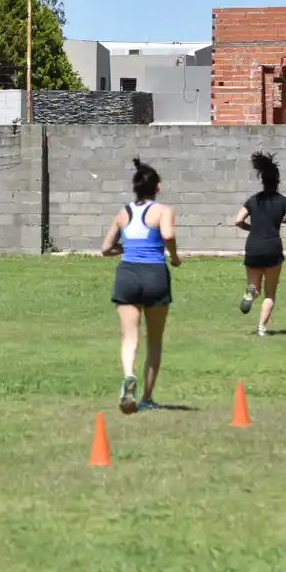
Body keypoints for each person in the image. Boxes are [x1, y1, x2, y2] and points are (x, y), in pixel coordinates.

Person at [101, 157, 180, 414]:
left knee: (129, 337)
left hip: (128, 274)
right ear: (157, 187)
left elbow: (105, 249)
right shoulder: (163, 211)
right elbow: (167, 234)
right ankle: (146, 397)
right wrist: (175, 256)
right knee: (154, 340)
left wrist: (126, 248)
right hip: (155, 274)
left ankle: (128, 375)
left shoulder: (123, 212)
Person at [234, 151, 286, 336]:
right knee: (270, 293)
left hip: (253, 246)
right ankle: (262, 328)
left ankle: (251, 293)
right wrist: (282, 220)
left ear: (262, 181)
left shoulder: (254, 200)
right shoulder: (283, 201)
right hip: (272, 248)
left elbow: (237, 220)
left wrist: (251, 228)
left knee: (254, 285)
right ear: (277, 181)